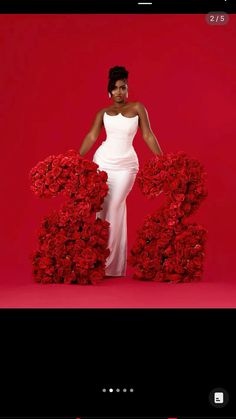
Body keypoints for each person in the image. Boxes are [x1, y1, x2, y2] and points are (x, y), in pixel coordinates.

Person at [79, 66, 163, 277]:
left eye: (122, 88)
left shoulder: (137, 108)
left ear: (127, 89)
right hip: (103, 163)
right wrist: (76, 157)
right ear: (109, 91)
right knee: (102, 210)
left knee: (115, 206)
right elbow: (91, 136)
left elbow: (148, 136)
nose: (119, 92)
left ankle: (110, 264)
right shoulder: (103, 113)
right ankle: (102, 262)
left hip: (126, 166)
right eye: (115, 88)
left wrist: (163, 159)